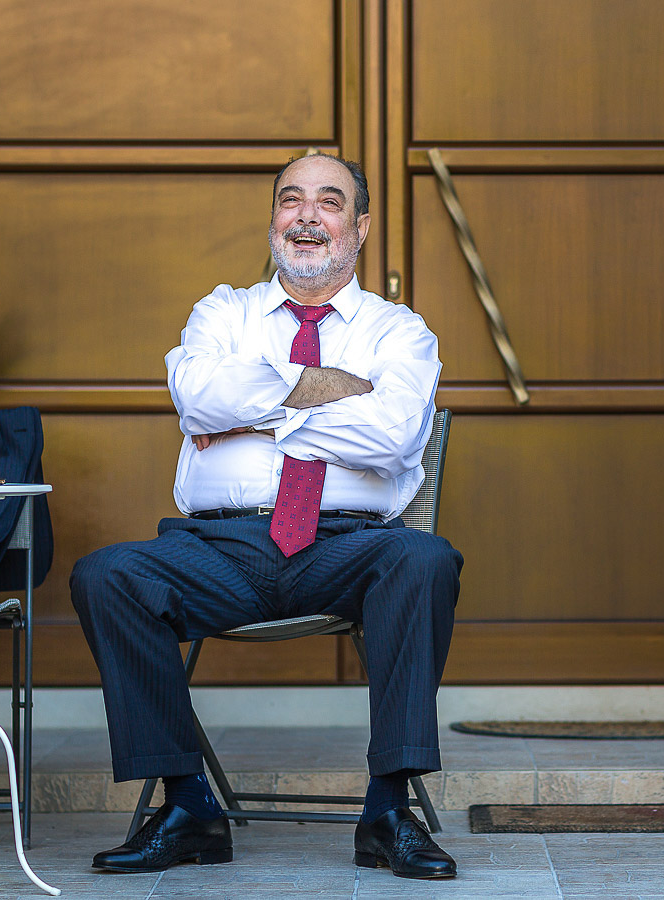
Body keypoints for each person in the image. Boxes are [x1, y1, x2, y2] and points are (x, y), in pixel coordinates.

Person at [70, 154, 462, 880]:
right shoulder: (222, 312)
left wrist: (259, 415)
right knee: (107, 575)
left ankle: (388, 809)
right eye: (291, 200)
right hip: (219, 546)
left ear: (361, 226)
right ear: (274, 219)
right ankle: (187, 805)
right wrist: (336, 391)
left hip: (350, 549)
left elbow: (397, 436)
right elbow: (198, 401)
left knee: (425, 559)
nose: (307, 216)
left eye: (330, 202)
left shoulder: (400, 332)